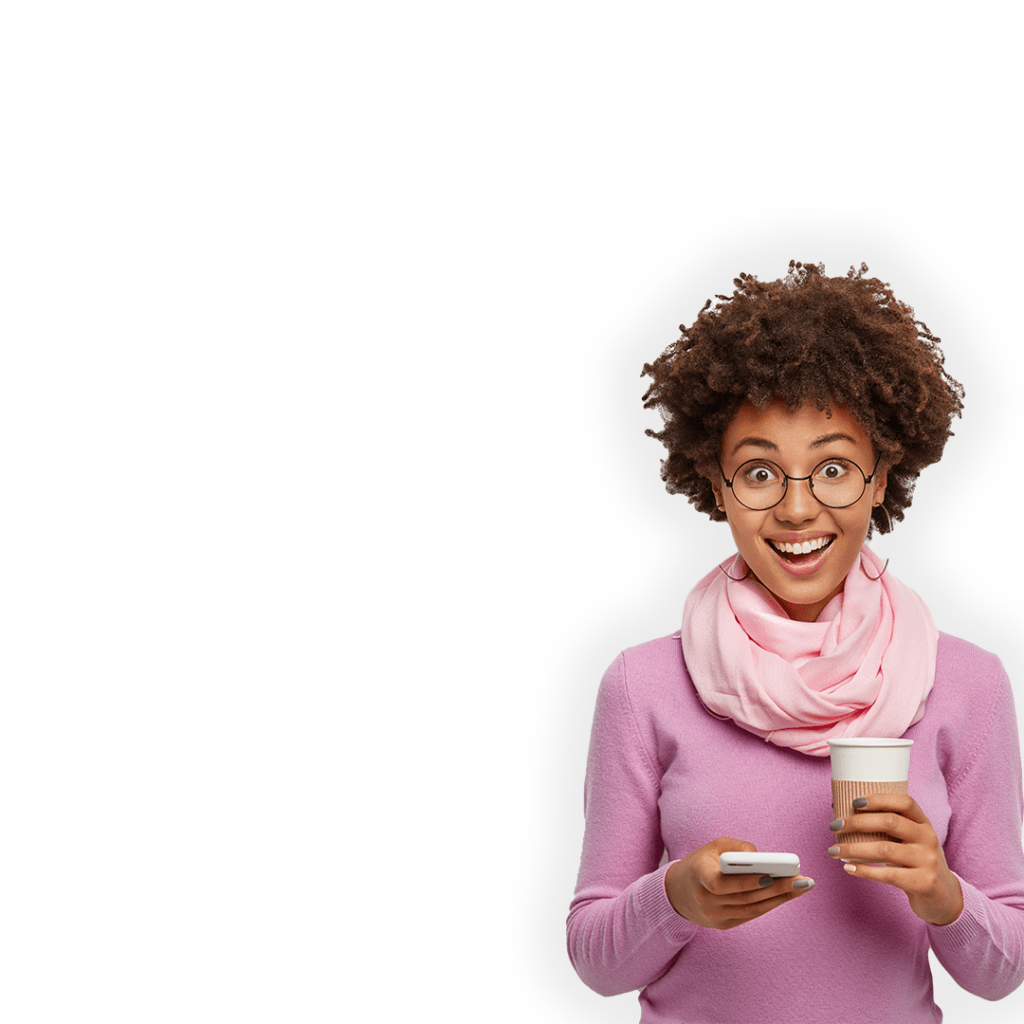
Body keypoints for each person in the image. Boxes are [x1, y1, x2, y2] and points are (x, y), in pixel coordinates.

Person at [566, 262, 1024, 1023]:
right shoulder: (643, 685)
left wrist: (939, 893)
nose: (797, 509)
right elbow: (594, 960)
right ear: (716, 487)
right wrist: (674, 896)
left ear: (881, 477)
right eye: (759, 473)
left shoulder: (966, 683)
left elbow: (1002, 972)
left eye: (834, 468)